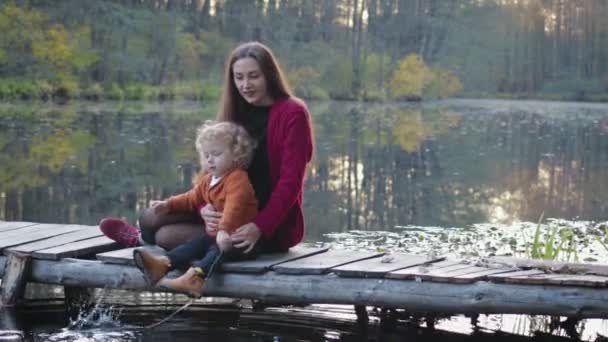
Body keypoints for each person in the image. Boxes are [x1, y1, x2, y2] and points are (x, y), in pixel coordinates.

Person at [99, 41, 314, 262]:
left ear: (269, 75)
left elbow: (291, 183)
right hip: (223, 205)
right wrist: (204, 207)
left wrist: (260, 227)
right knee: (150, 217)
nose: (245, 85)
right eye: (238, 77)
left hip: (262, 224)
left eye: (253, 76)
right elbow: (212, 170)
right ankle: (142, 239)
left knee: (166, 235)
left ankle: (145, 242)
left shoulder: (292, 113)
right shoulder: (236, 112)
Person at [133, 120, 257, 296]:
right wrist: (168, 204)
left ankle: (195, 278)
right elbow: (191, 198)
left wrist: (224, 230)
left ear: (236, 155)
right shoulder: (209, 180)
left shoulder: (237, 178)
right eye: (206, 155)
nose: (210, 159)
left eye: (216, 154)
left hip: (238, 239)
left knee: (217, 251)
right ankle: (162, 264)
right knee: (194, 244)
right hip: (216, 235)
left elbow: (234, 207)